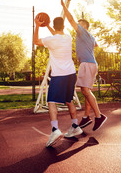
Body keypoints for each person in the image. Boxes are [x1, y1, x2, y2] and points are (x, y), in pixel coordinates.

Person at [33, 15, 83, 148]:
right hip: (71, 73)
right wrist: (49, 25)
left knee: (51, 101)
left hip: (59, 75)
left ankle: (55, 130)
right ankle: (75, 126)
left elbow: (35, 41)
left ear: (54, 27)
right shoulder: (68, 38)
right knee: (69, 100)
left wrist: (38, 25)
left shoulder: (51, 40)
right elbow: (57, 34)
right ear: (64, 27)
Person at [60, 0, 107, 131]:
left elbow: (70, 19)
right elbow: (96, 45)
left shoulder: (82, 32)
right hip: (92, 63)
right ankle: (86, 116)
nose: (76, 26)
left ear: (84, 26)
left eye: (79, 24)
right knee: (86, 90)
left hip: (87, 64)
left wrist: (64, 6)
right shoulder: (90, 37)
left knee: (85, 90)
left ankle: (99, 116)